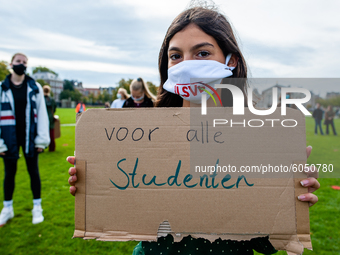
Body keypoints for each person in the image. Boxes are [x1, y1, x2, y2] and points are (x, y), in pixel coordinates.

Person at [68, 5, 320, 255]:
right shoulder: (143, 134)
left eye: (202, 53)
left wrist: (290, 203)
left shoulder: (255, 138)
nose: (186, 65)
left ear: (230, 60)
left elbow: (265, 244)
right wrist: (95, 185)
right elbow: (124, 216)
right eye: (176, 56)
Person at [0, 53, 50, 226]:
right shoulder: (2, 88)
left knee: (33, 172)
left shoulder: (34, 86)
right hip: (8, 137)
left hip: (30, 136)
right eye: (18, 61)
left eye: (24, 62)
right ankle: (7, 208)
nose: (21, 64)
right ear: (11, 64)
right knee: (9, 174)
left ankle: (37, 207)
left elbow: (42, 113)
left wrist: (41, 140)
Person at [43, 85, 57, 151]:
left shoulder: (41, 99)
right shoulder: (51, 100)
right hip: (50, 117)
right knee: (51, 134)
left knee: (42, 133)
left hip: (42, 118)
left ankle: (41, 147)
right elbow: (54, 108)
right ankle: (52, 148)